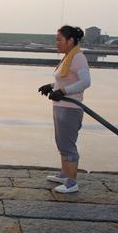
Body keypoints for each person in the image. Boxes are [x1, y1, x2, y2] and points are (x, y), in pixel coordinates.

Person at [38, 25, 91, 193]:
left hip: (70, 108)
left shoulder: (78, 57)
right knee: (61, 142)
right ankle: (64, 175)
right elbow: (65, 79)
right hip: (61, 106)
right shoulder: (69, 56)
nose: (57, 43)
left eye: (59, 39)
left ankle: (71, 182)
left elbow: (85, 82)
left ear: (70, 40)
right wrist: (51, 86)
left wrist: (63, 91)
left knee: (68, 144)